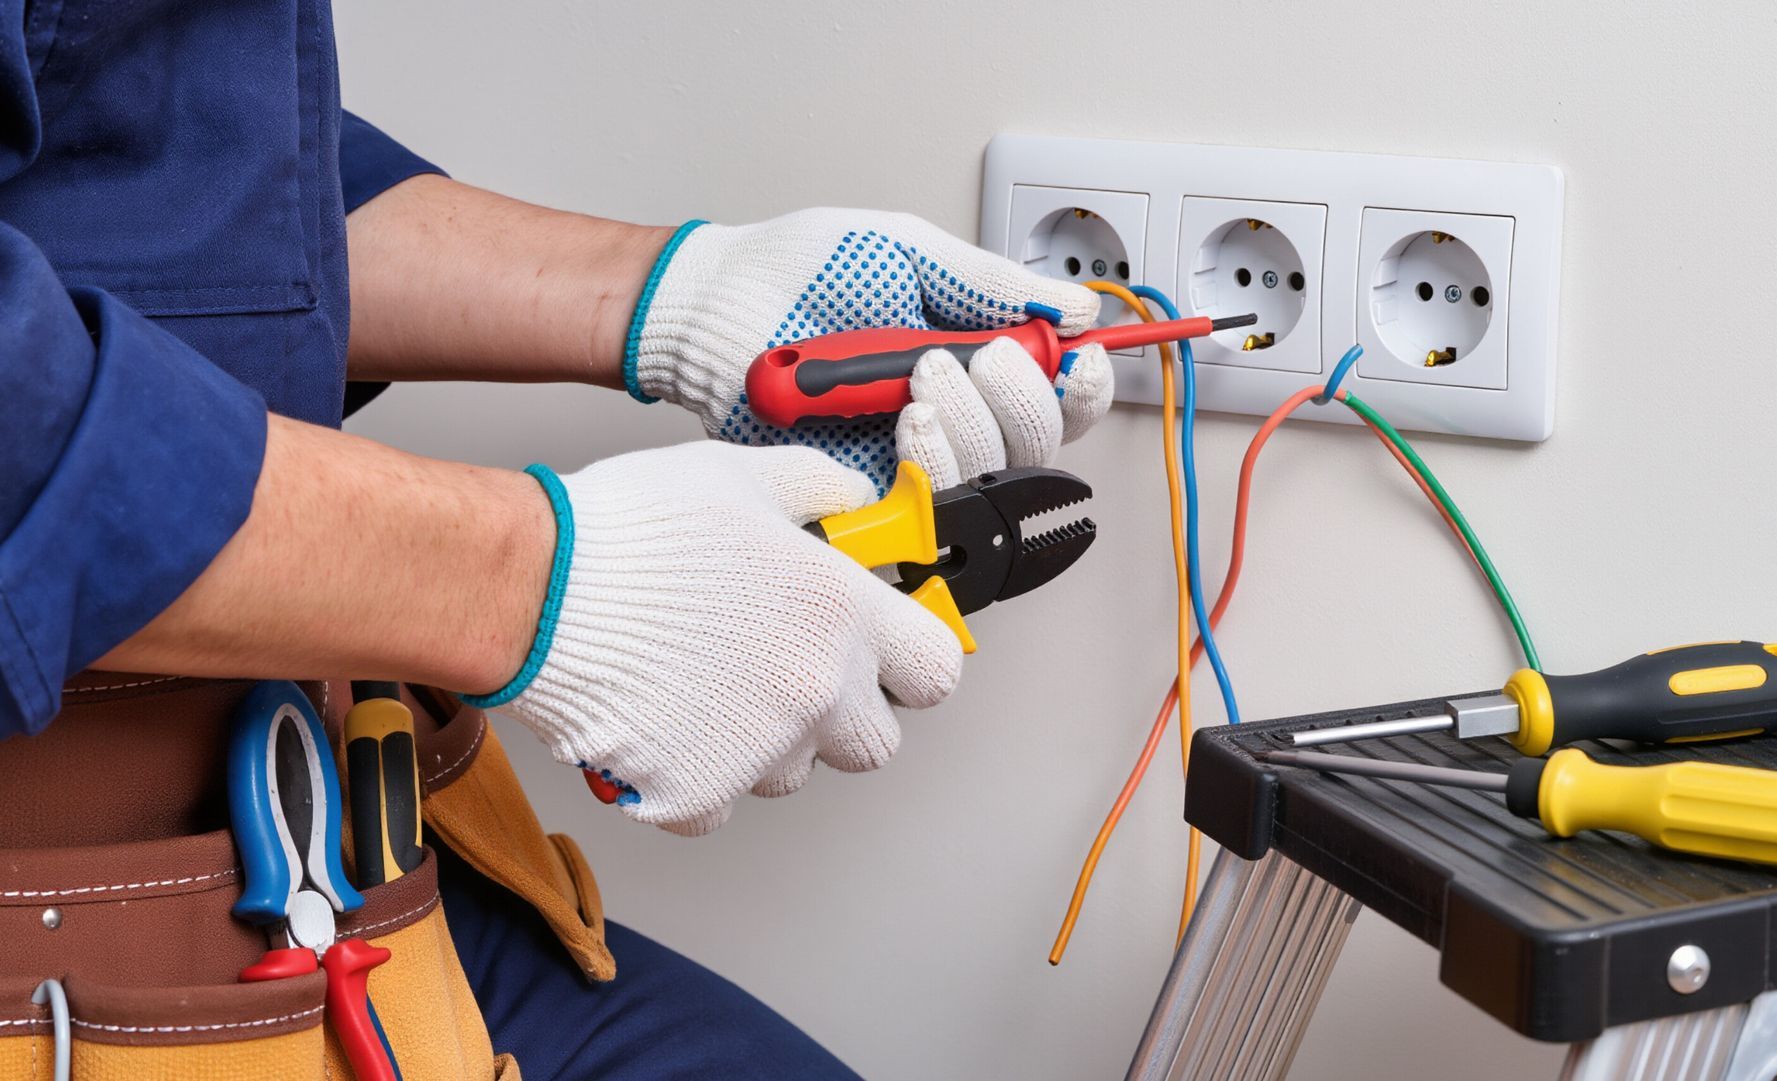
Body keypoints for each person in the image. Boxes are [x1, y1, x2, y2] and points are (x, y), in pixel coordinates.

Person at [0, 2, 1109, 1078]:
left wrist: (676, 297)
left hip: (339, 861)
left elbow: (156, 152)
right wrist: (537, 584)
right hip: (61, 944)